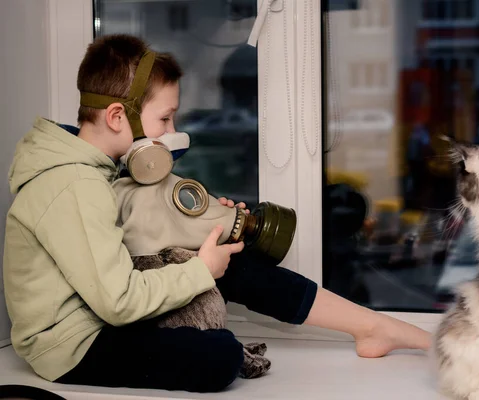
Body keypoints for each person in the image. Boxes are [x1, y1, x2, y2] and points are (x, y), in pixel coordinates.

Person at [3, 34, 431, 393]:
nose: (171, 134)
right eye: (165, 119)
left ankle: (371, 326)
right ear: (118, 116)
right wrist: (201, 271)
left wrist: (207, 230)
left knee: (232, 261)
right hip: (74, 344)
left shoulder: (97, 169)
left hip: (101, 309)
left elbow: (125, 242)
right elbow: (117, 301)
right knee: (219, 358)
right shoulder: (72, 185)